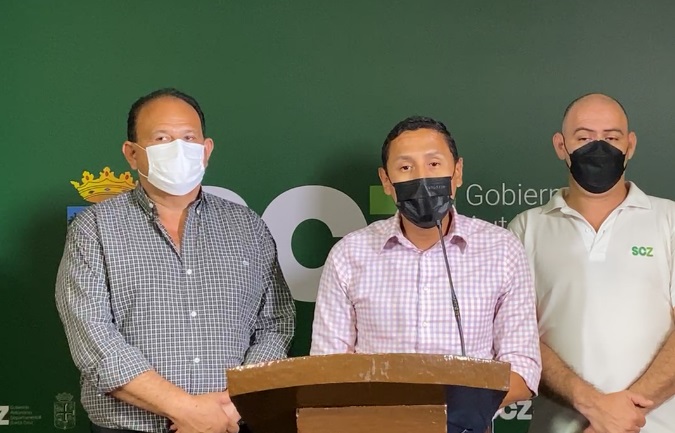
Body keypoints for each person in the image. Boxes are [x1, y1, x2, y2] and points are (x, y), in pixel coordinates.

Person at [55, 88, 295, 433]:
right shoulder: (94, 229)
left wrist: (234, 404)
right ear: (132, 154)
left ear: (206, 150)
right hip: (130, 427)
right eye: (162, 138)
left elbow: (276, 324)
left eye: (188, 138)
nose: (178, 149)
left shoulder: (249, 228)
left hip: (232, 422)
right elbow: (93, 336)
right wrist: (186, 410)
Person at [310, 116, 541, 412]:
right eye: (406, 168)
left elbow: (523, 369)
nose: (422, 179)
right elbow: (326, 368)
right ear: (386, 181)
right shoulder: (349, 255)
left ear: (457, 172)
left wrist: (453, 407)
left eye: (433, 164)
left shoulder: (502, 250)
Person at [509, 93, 675, 433]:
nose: (598, 148)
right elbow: (517, 336)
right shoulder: (525, 230)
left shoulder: (670, 221)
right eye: (584, 138)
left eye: (611, 138)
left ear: (630, 145)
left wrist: (620, 417)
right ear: (561, 146)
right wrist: (593, 405)